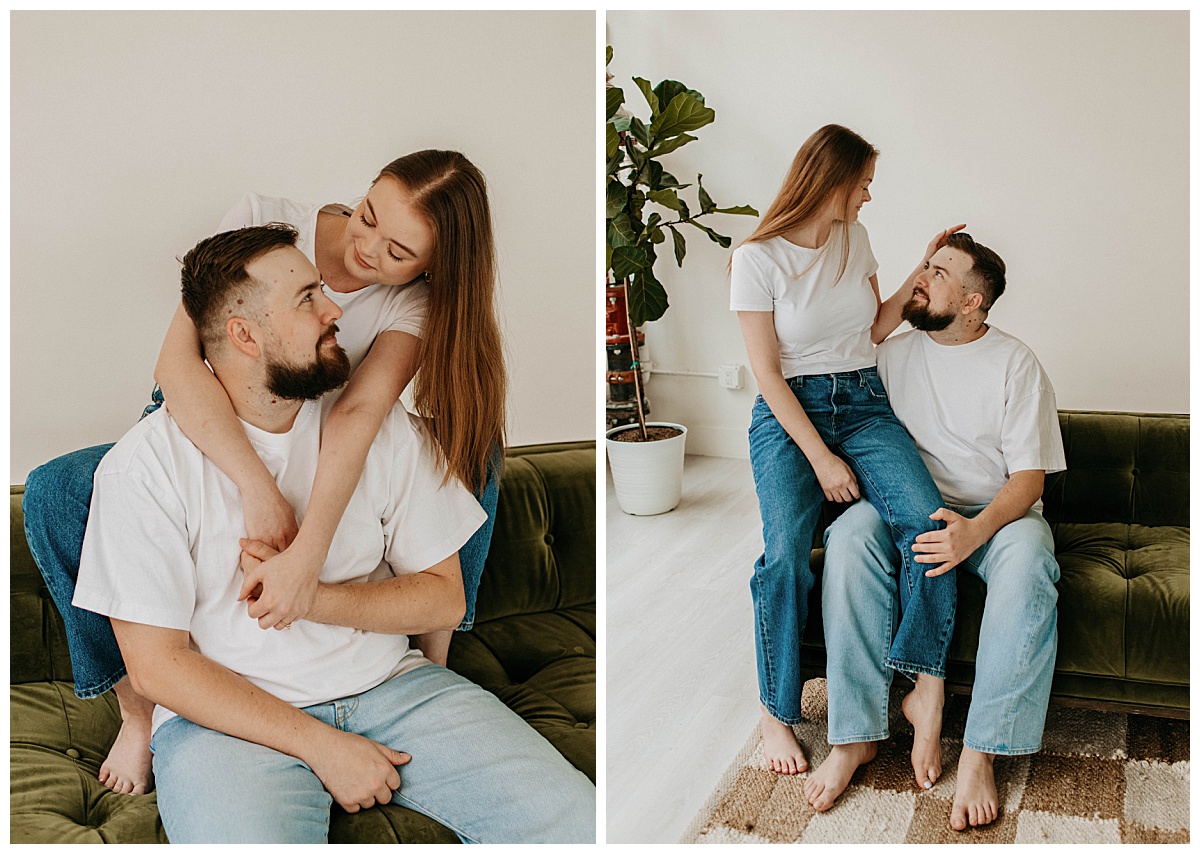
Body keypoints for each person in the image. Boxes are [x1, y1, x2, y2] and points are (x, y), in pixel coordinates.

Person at [71, 224, 595, 843]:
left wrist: (313, 597)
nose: (334, 309)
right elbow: (158, 669)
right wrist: (326, 747)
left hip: (393, 691)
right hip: (224, 724)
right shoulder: (144, 468)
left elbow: (444, 597)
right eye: (307, 298)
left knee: (578, 825)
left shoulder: (376, 428)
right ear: (245, 334)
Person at [22, 149, 506, 796]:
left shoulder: (412, 305)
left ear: (432, 267)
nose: (367, 250)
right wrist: (255, 484)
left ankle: (431, 659)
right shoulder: (267, 220)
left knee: (479, 451)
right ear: (363, 191)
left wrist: (309, 553)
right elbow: (178, 366)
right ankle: (137, 709)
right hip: (208, 419)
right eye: (367, 217)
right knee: (55, 490)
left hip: (317, 433)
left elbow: (358, 414)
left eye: (398, 254)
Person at [804, 233, 1065, 832]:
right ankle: (854, 737)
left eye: (940, 273)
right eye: (926, 266)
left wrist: (974, 532)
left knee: (1028, 566)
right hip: (908, 507)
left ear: (974, 301)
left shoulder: (1015, 363)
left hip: (996, 517)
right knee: (846, 540)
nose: (923, 278)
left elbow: (1029, 481)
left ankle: (979, 753)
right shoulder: (893, 356)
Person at [731, 124, 963, 787]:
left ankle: (921, 679)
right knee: (783, 560)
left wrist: (925, 266)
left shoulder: (855, 239)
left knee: (929, 526)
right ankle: (777, 710)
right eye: (862, 183)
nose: (867, 196)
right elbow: (768, 376)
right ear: (832, 181)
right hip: (789, 416)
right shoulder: (757, 258)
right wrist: (823, 460)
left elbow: (873, 327)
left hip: (863, 403)